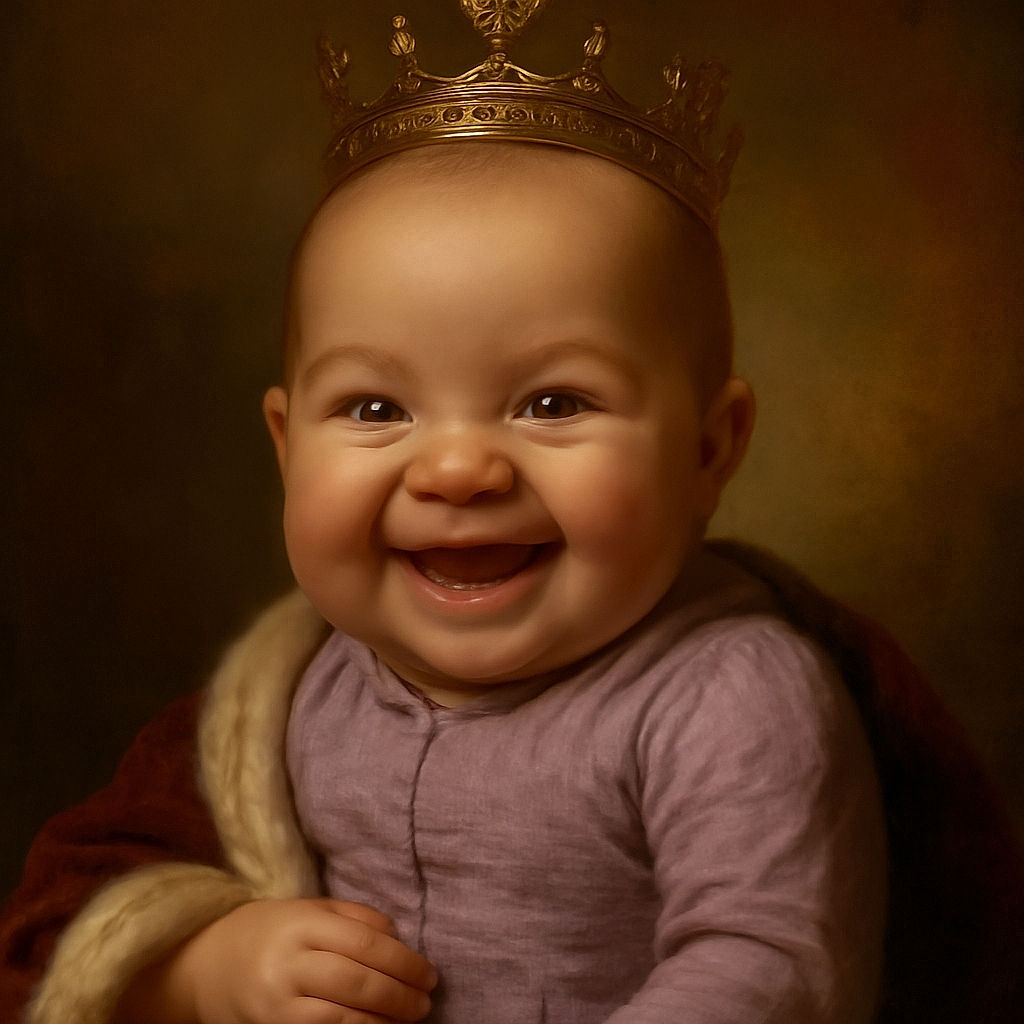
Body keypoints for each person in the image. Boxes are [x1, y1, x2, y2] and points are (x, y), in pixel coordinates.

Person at [2, 5, 1021, 1024]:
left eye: (553, 403)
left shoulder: (727, 695)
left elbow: (772, 968)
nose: (457, 469)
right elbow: (85, 912)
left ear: (709, 450)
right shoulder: (281, 694)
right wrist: (203, 968)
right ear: (285, 445)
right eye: (375, 409)